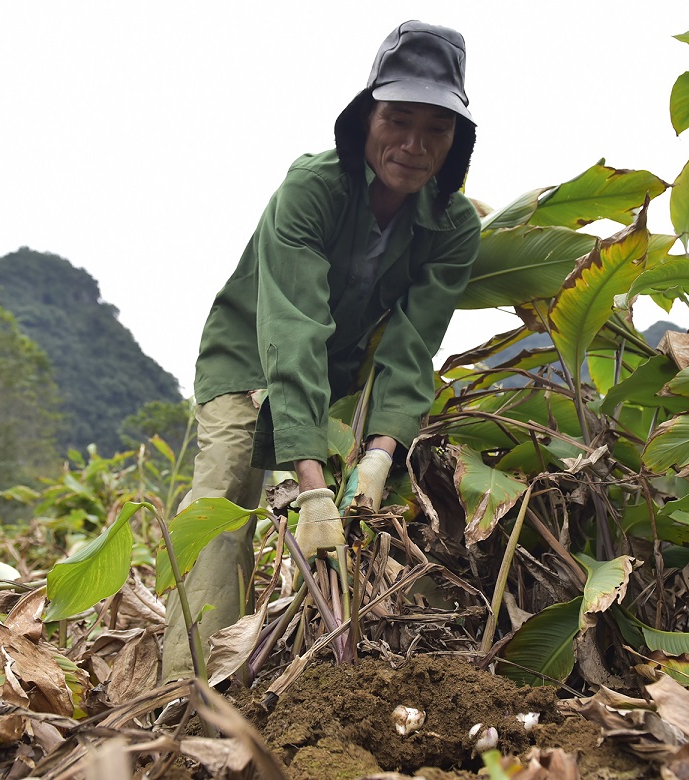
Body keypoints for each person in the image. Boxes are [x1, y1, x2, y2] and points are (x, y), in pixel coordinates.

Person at [160, 20, 481, 682]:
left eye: (437, 129)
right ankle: (187, 697)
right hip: (249, 354)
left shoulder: (453, 226)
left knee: (378, 513)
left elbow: (412, 348)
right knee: (226, 506)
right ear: (366, 117)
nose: (414, 144)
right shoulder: (313, 188)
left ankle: (324, 674)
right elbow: (293, 326)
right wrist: (310, 489)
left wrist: (379, 453)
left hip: (341, 376)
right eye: (398, 119)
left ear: (456, 142)